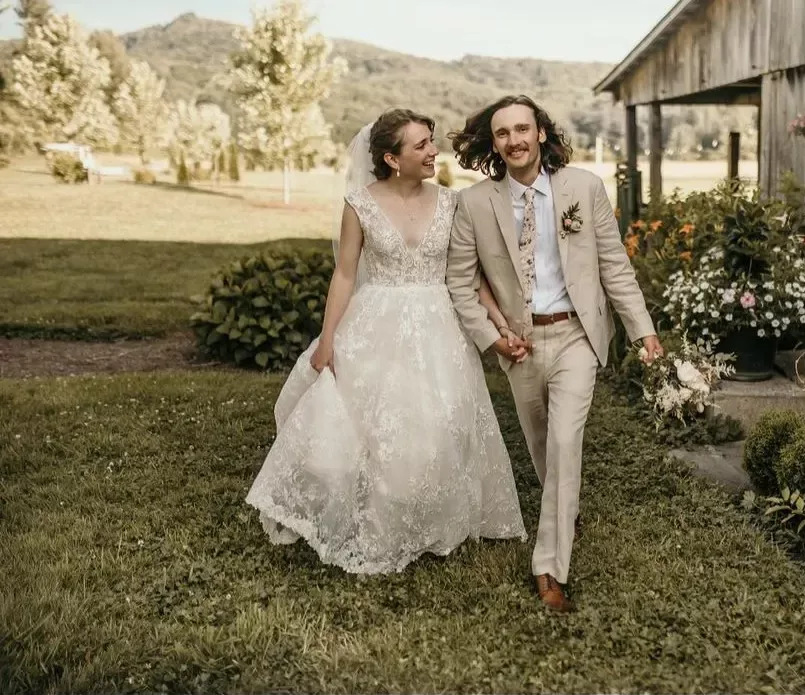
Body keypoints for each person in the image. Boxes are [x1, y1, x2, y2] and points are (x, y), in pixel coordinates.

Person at [245, 108, 526, 575]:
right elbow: (344, 274)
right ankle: (382, 515)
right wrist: (328, 339)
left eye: (430, 142)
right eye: (421, 145)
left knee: (442, 420)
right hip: (376, 319)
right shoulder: (360, 204)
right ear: (393, 159)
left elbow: (469, 277)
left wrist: (499, 324)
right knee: (380, 425)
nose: (433, 151)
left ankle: (436, 513)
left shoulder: (451, 203)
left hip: (439, 324)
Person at [446, 95, 662, 612]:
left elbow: (613, 265)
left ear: (541, 132)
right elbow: (459, 283)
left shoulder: (582, 189)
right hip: (518, 345)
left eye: (524, 129)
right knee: (543, 446)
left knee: (565, 442)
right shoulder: (474, 204)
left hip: (576, 337)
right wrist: (493, 338)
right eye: (503, 134)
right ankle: (565, 512)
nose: (515, 140)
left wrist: (643, 331)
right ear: (493, 143)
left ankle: (550, 570)